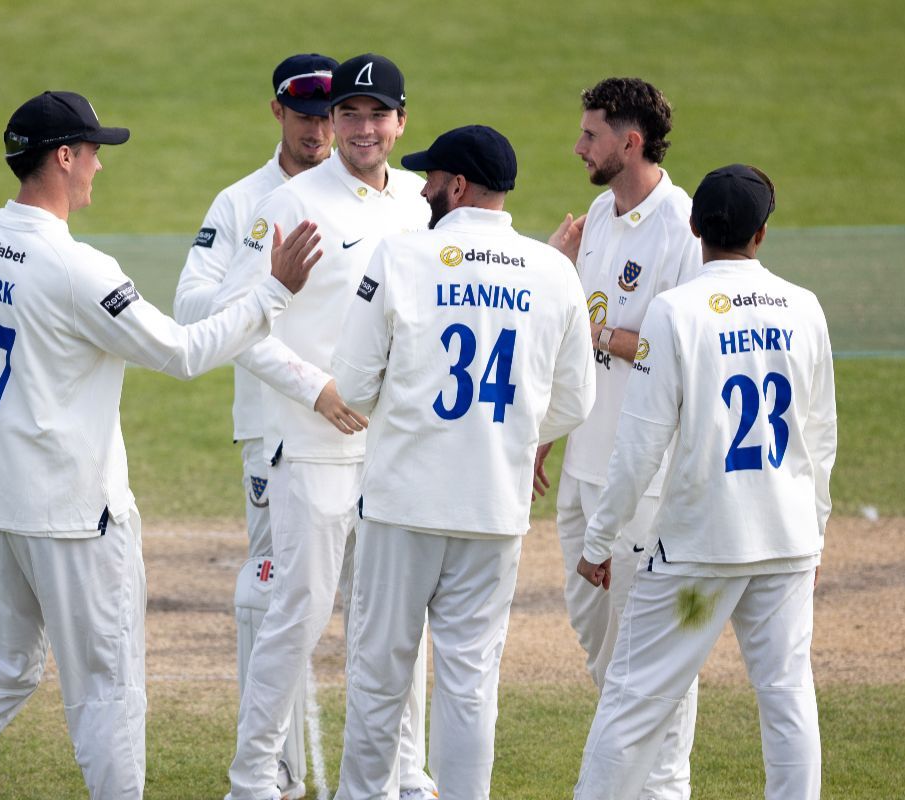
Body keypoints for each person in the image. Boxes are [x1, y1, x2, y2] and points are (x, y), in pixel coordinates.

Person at [0, 90, 322, 800]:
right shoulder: (80, 269)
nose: (100, 169)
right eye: (95, 153)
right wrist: (273, 294)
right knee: (108, 689)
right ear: (64, 157)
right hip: (77, 517)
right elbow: (183, 351)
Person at [330, 125, 596, 800]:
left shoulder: (401, 256)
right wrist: (507, 435)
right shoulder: (552, 270)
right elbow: (574, 401)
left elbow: (355, 387)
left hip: (402, 503)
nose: (421, 188)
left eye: (431, 178)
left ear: (457, 185)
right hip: (493, 505)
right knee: (471, 682)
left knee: (379, 672)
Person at [213, 53, 440, 800]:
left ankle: (407, 775)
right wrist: (318, 391)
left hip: (395, 447)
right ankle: (252, 780)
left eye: (378, 115)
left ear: (401, 121)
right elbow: (239, 325)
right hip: (310, 444)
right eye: (349, 114)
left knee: (398, 621)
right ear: (331, 121)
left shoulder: (418, 200)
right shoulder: (289, 202)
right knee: (300, 614)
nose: (363, 128)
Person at [571, 165, 837, 800]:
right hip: (786, 541)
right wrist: (817, 534)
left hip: (698, 548)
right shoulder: (804, 306)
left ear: (695, 229)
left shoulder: (676, 311)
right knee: (787, 696)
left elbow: (639, 444)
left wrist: (598, 539)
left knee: (632, 702)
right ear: (762, 233)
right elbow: (820, 436)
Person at [172, 53, 338, 799]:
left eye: (331, 115)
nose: (320, 130)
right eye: (306, 115)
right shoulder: (242, 202)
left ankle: (402, 772)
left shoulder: (371, 194)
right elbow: (188, 309)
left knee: (382, 603)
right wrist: (264, 285)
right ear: (278, 112)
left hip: (364, 429)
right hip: (273, 430)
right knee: (271, 595)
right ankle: (271, 772)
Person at [535, 76, 703, 799]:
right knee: (601, 644)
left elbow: (682, 351)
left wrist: (594, 325)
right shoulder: (599, 216)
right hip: (584, 465)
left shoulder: (683, 230)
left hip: (647, 477)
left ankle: (663, 787)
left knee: (650, 653)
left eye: (591, 136)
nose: (579, 148)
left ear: (629, 142)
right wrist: (547, 425)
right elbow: (575, 340)